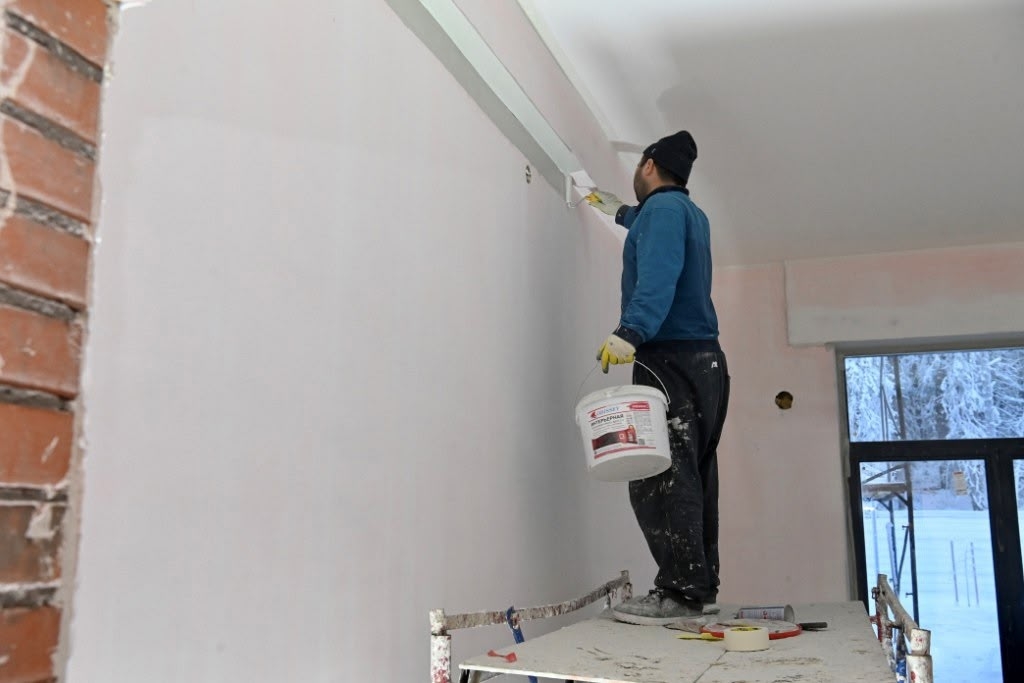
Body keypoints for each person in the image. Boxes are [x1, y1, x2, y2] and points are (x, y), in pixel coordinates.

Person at [587, 130, 730, 625]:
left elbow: (659, 272)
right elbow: (659, 234)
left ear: (648, 164)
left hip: (667, 357)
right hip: (703, 362)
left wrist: (631, 330)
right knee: (692, 473)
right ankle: (698, 588)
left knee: (660, 474)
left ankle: (679, 594)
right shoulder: (687, 212)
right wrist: (621, 213)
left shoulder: (664, 212)